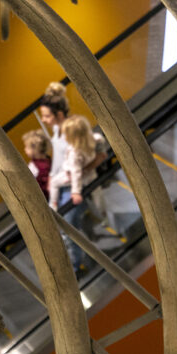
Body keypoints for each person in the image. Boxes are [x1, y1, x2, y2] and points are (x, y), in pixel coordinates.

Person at [46, 115, 109, 273]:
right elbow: (101, 153)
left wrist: (75, 192)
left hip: (74, 178)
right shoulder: (94, 140)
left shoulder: (76, 151)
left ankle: (53, 206)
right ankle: (101, 217)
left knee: (54, 183)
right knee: (96, 197)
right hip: (83, 177)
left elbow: (75, 173)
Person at [22, 130, 52, 200]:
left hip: (43, 197)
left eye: (27, 147)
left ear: (35, 149)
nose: (25, 149)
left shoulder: (33, 166)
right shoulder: (49, 160)